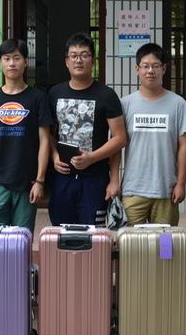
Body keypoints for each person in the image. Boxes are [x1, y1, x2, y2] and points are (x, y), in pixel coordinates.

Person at [47, 32, 126, 226]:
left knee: (94, 234)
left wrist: (112, 178)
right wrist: (54, 157)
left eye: (84, 55)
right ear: (66, 61)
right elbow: (47, 134)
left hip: (95, 178)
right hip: (62, 177)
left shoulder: (107, 95)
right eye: (73, 56)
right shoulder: (54, 93)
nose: (78, 60)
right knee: (62, 232)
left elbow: (119, 138)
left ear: (93, 61)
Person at [0, 39, 52, 234]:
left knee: (22, 240)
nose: (12, 63)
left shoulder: (38, 98)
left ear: (25, 62)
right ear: (0, 62)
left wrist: (40, 181)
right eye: (7, 58)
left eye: (17, 58)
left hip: (27, 183)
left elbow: (45, 141)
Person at [119, 43, 186, 225]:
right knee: (130, 241)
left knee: (165, 241)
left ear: (164, 69)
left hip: (166, 191)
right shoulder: (126, 104)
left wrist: (181, 184)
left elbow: (184, 145)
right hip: (133, 190)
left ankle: (165, 248)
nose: (150, 71)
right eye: (145, 66)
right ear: (137, 69)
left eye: (155, 66)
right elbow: (116, 145)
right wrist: (114, 181)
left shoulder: (178, 104)